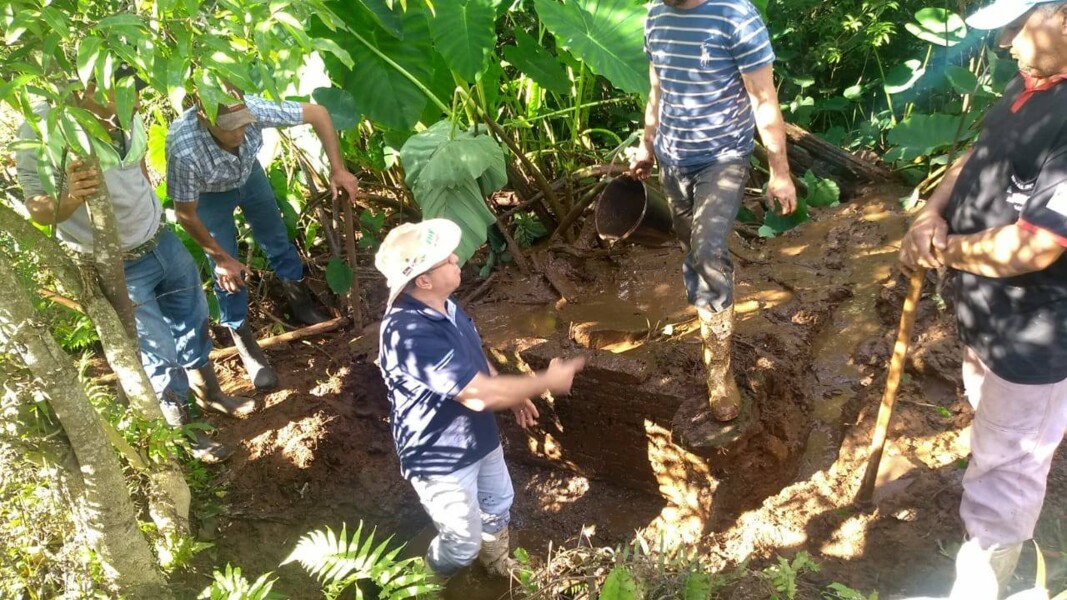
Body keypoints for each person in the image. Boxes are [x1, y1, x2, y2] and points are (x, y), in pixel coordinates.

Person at [899, 0, 1067, 593]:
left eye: (1017, 27)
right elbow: (979, 156)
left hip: (1038, 333)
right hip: (988, 318)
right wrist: (932, 213)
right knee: (994, 431)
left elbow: (1036, 245)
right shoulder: (1033, 88)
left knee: (1011, 462)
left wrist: (943, 250)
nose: (1005, 44)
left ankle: (985, 577)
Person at [14, 83, 255, 464]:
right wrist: (73, 196)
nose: (132, 97)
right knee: (156, 348)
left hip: (159, 239)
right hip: (115, 262)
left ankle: (209, 393)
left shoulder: (126, 108)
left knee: (193, 316)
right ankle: (184, 429)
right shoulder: (42, 127)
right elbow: (37, 209)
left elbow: (140, 167)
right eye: (117, 88)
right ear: (85, 84)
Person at [374, 219, 585, 580]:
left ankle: (496, 561)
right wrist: (544, 380)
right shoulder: (408, 333)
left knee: (498, 502)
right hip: (439, 455)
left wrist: (510, 389)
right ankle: (423, 582)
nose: (457, 258)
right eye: (446, 259)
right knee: (461, 543)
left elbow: (472, 357)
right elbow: (475, 395)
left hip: (477, 437)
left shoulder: (446, 306)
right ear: (422, 279)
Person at [630, 0, 797, 424]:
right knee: (692, 250)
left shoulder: (735, 16)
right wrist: (647, 146)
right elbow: (657, 88)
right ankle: (713, 316)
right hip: (673, 158)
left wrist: (779, 171)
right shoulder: (656, 15)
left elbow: (763, 97)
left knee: (705, 250)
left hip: (723, 157)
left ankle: (719, 372)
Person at [166, 92, 360, 390]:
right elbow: (186, 214)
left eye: (244, 124)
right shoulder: (184, 148)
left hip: (248, 175)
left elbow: (319, 112)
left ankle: (301, 305)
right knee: (228, 274)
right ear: (204, 118)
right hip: (208, 195)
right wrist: (220, 258)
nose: (240, 133)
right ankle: (245, 343)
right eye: (230, 127)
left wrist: (338, 168)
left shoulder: (253, 108)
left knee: (276, 238)